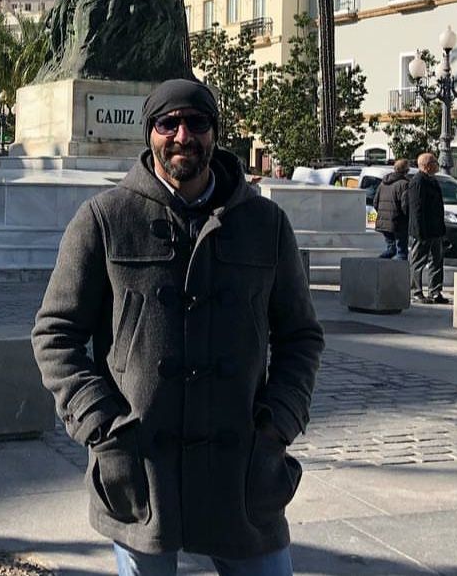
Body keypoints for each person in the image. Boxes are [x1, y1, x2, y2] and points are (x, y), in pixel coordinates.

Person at [32, 79, 323, 576]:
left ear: (215, 134)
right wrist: (100, 425)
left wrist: (281, 420)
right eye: (168, 123)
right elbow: (55, 334)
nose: (182, 135)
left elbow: (300, 336)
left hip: (243, 471)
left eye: (197, 123)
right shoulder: (104, 218)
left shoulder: (266, 224)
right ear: (149, 133)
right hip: (143, 471)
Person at [408, 152, 447, 304]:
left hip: (435, 229)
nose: (438, 165)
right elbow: (416, 208)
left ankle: (435, 291)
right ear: (427, 165)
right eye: (435, 162)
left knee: (437, 260)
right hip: (423, 230)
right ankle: (416, 291)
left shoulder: (433, 181)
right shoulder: (418, 182)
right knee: (418, 261)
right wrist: (419, 231)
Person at [373, 159, 410, 260]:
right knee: (401, 251)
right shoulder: (404, 184)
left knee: (391, 249)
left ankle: (379, 263)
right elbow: (405, 206)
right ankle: (398, 274)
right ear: (406, 170)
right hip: (399, 223)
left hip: (384, 223)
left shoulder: (383, 184)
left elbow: (375, 203)